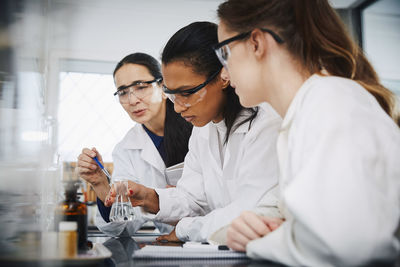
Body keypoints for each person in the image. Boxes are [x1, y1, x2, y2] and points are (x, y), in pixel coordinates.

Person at [213, 0, 400, 266]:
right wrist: (274, 230)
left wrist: (261, 241)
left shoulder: (331, 100)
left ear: (256, 43)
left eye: (225, 53)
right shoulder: (309, 108)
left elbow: (348, 245)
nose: (225, 71)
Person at [105, 21, 282, 243]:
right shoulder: (203, 129)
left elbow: (250, 212)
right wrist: (151, 198)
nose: (177, 107)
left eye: (187, 93)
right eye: (172, 94)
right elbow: (193, 198)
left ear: (224, 75)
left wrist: (184, 229)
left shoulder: (266, 122)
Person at [77, 53, 193, 236]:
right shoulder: (126, 150)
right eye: (123, 92)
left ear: (163, 87)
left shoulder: (198, 125)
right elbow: (122, 228)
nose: (132, 100)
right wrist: (100, 185)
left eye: (140, 87)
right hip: (174, 246)